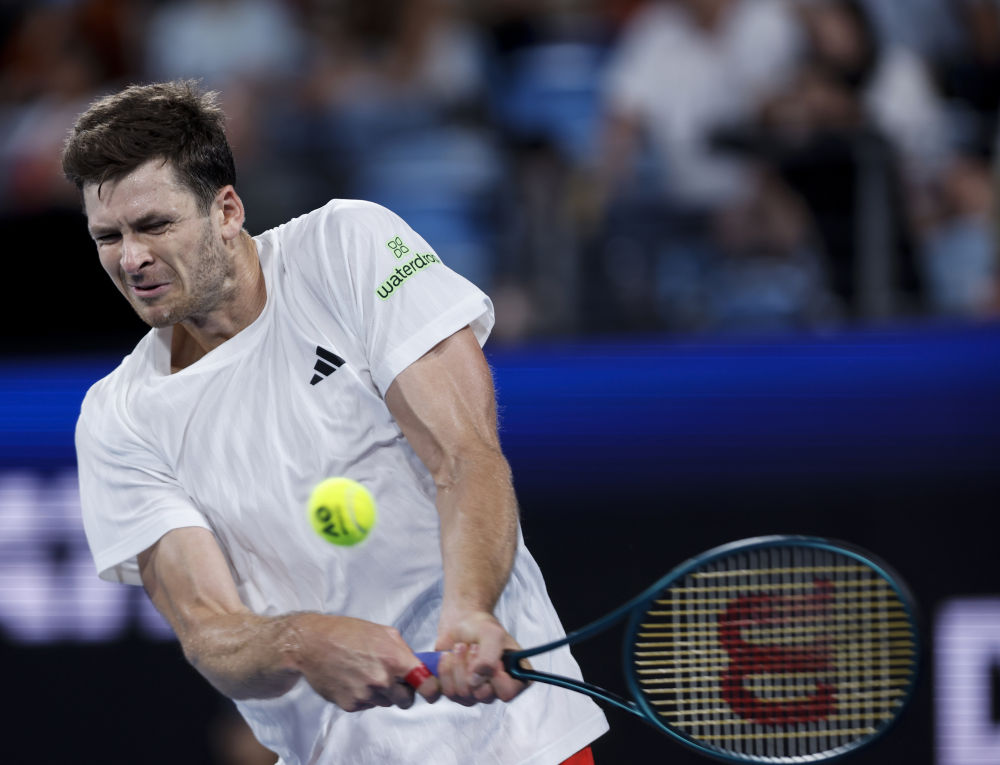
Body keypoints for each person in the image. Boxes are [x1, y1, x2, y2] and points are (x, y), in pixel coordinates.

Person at [62, 80, 608, 765]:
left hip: (515, 742)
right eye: (107, 236)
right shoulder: (117, 417)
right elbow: (209, 631)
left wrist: (471, 609)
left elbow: (465, 455)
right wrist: (301, 642)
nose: (130, 258)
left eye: (154, 225)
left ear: (226, 209)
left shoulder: (347, 245)